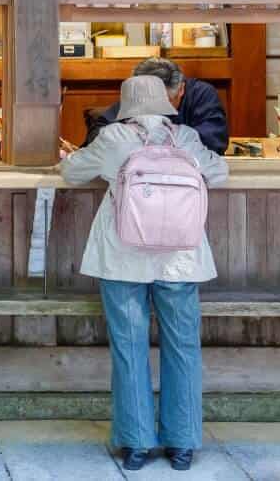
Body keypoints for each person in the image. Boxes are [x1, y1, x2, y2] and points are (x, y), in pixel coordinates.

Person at [60, 75, 229, 473]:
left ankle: (136, 444)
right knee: (183, 346)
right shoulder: (185, 138)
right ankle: (182, 443)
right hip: (180, 256)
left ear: (126, 106)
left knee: (129, 345)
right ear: (166, 103)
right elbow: (220, 173)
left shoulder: (113, 139)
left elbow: (71, 174)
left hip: (123, 256)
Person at [83, 57, 229, 154]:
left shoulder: (201, 94)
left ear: (181, 89)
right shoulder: (138, 95)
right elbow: (99, 132)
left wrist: (149, 142)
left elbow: (214, 141)